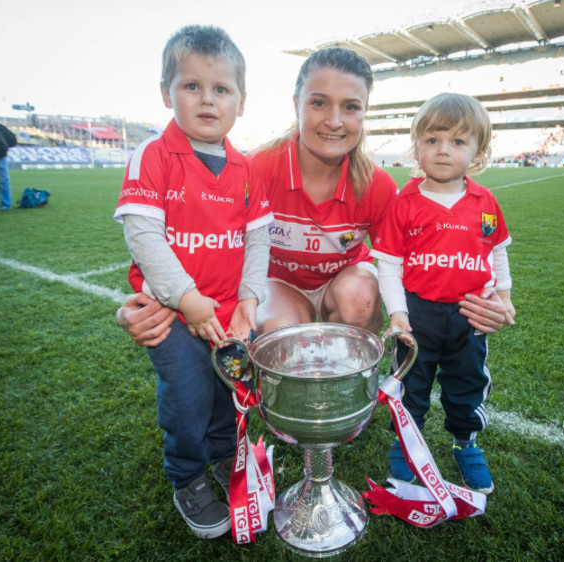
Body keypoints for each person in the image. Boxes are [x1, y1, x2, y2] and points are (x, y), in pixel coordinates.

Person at [117, 47, 510, 346]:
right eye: (318, 102)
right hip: (278, 287)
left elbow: (423, 256)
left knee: (361, 297)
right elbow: (200, 247)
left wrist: (481, 299)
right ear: (296, 105)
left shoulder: (377, 186)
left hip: (344, 284)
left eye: (350, 107)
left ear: (364, 112)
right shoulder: (256, 170)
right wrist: (145, 305)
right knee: (276, 328)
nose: (334, 121)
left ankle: (348, 377)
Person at [113, 25, 273, 540]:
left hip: (228, 314)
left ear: (241, 102)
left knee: (229, 390)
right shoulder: (153, 156)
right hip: (175, 316)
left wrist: (248, 299)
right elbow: (145, 237)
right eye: (191, 86)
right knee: (187, 396)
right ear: (167, 92)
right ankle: (186, 474)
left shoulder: (248, 170)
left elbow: (257, 244)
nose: (208, 99)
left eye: (221, 89)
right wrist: (188, 300)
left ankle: (227, 456)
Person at [371, 92, 516, 495]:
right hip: (419, 314)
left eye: (457, 142)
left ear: (478, 151)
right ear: (417, 146)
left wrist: (503, 297)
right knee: (411, 385)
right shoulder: (405, 202)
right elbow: (390, 266)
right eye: (432, 140)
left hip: (469, 316)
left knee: (467, 385)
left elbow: (498, 252)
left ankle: (466, 444)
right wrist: (398, 314)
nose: (442, 151)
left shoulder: (485, 202)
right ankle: (405, 444)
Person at [0, 121, 17, 211]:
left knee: (3, 180)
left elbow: (3, 147)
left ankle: (6, 204)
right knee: (3, 180)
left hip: (0, 157)